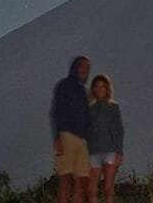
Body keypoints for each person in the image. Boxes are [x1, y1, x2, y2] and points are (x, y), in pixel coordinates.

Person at [50, 56, 92, 203]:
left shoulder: (83, 91)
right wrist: (58, 137)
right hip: (66, 136)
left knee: (82, 181)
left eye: (87, 69)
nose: (84, 71)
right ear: (75, 67)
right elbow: (57, 111)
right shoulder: (65, 85)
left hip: (82, 140)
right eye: (82, 67)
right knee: (65, 180)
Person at [86, 74, 124, 203]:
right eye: (97, 86)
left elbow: (119, 130)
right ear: (93, 89)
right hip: (94, 152)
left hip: (110, 151)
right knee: (91, 190)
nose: (100, 89)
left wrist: (119, 152)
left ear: (107, 88)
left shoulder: (113, 107)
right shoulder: (90, 108)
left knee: (109, 188)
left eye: (103, 86)